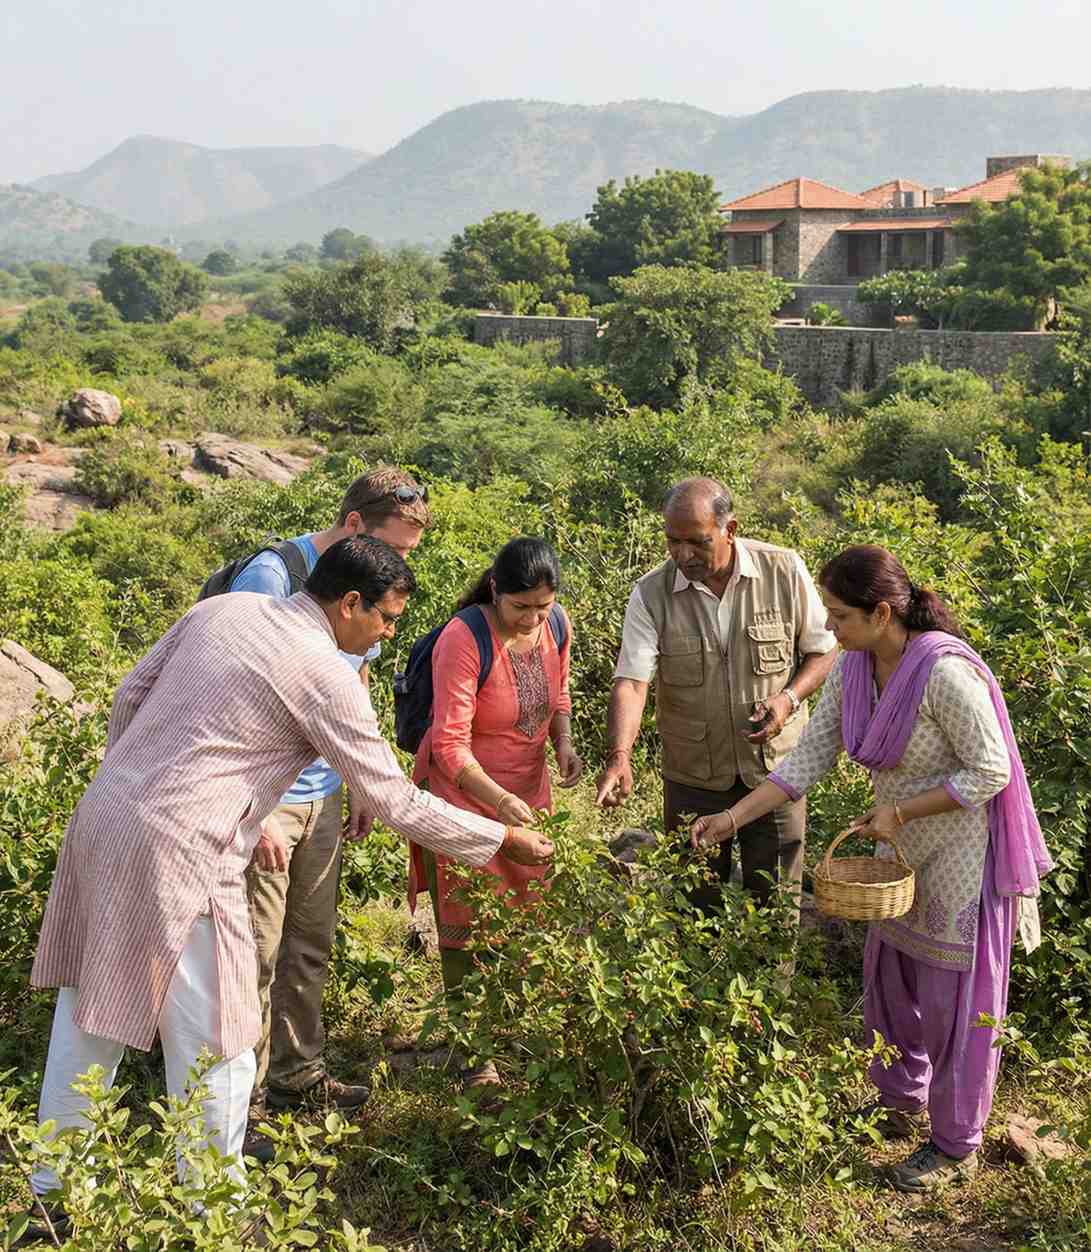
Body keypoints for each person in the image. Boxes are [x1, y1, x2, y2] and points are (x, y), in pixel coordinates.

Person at [27, 536, 552, 1229]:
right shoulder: (323, 671)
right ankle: (216, 1211)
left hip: (104, 816)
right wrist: (501, 839)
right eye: (386, 620)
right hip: (183, 851)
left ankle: (54, 1196)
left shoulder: (229, 611)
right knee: (221, 1037)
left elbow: (131, 694)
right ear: (349, 602)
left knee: (87, 1014)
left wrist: (143, 783)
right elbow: (396, 802)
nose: (389, 635)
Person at [691, 545, 1052, 1193]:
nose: (829, 632)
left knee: (950, 1003)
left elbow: (990, 769)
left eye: (838, 618)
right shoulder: (855, 670)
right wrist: (732, 819)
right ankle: (897, 1103)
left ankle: (952, 1144)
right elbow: (807, 760)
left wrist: (903, 812)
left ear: (881, 612)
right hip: (898, 850)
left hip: (961, 855)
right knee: (892, 987)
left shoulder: (943, 675)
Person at [229, 467, 429, 1124]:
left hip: (321, 796)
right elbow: (233, 695)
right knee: (253, 951)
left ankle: (297, 1075)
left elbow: (357, 677)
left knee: (308, 942)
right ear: (353, 528)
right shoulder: (272, 578)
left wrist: (360, 779)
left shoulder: (363, 593)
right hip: (267, 802)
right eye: (394, 549)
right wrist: (248, 813)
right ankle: (244, 1100)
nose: (399, 565)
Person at [595, 476, 837, 914]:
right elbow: (632, 680)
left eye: (697, 542)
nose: (683, 554)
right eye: (673, 541)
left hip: (775, 775)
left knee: (776, 908)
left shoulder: (782, 570)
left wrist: (788, 699)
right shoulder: (651, 593)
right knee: (694, 908)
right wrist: (620, 755)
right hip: (693, 779)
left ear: (731, 529)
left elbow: (823, 651)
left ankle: (772, 987)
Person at [407, 538, 581, 1087]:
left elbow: (559, 697)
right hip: (465, 796)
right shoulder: (465, 636)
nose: (532, 619)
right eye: (520, 608)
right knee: (465, 923)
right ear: (495, 591)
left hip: (528, 792)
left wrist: (564, 745)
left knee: (527, 915)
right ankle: (471, 1049)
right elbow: (450, 744)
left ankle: (509, 1028)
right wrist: (499, 804)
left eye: (542, 607)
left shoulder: (556, 626)